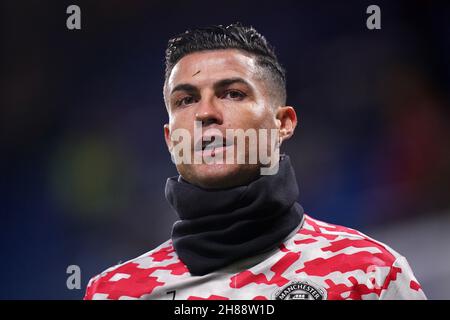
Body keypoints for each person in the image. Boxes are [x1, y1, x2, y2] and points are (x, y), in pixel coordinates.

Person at [84, 23, 426, 300]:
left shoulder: (372, 274)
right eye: (186, 100)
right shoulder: (115, 293)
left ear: (283, 123)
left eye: (233, 93)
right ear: (170, 139)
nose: (206, 113)